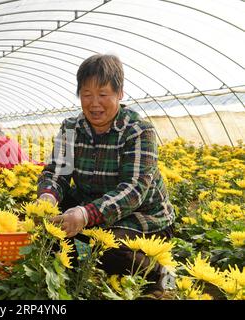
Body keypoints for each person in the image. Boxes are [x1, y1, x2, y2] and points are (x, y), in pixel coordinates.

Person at [36, 54, 175, 299]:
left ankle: (160, 274)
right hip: (91, 210)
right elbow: (57, 172)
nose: (94, 103)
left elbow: (133, 190)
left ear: (120, 94)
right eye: (87, 95)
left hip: (143, 218)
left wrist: (85, 214)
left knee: (104, 249)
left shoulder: (138, 131)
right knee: (46, 228)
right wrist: (47, 196)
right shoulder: (71, 128)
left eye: (103, 94)